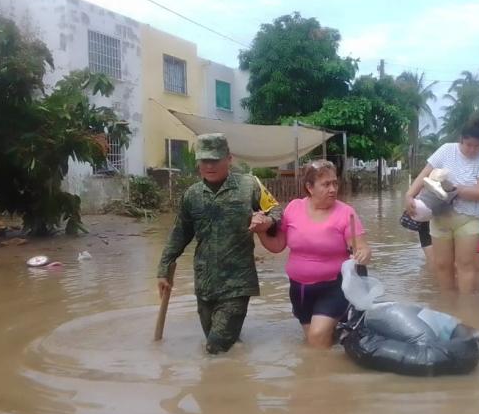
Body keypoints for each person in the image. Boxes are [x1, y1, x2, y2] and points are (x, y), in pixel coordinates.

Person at [157, 133, 281, 355]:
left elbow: (277, 211)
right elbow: (179, 234)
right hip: (205, 283)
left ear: (229, 158)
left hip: (237, 283)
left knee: (215, 346)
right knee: (222, 344)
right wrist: (164, 269)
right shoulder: (192, 195)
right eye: (204, 160)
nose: (209, 165)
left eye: (215, 160)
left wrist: (267, 221)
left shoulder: (249, 185)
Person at [256, 160, 371, 348]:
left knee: (316, 336)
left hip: (334, 287)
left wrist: (363, 254)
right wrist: (261, 231)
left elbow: (362, 248)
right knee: (315, 342)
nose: (333, 189)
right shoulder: (293, 208)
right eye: (326, 184)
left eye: (335, 183)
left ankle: (323, 374)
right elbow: (277, 245)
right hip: (299, 291)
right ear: (309, 187)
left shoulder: (346, 213)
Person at [405, 116, 479, 294]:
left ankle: (466, 308)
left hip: (469, 218)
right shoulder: (446, 150)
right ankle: (447, 305)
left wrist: (453, 189)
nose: (472, 150)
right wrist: (409, 195)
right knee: (442, 264)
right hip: (440, 216)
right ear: (461, 139)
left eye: (477, 146)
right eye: (468, 145)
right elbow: (425, 174)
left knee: (465, 264)